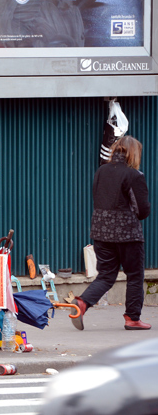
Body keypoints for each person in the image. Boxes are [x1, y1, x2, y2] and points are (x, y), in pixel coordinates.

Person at [72, 136, 151, 331]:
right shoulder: (134, 175)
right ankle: (132, 318)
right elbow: (142, 211)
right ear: (134, 153)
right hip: (127, 235)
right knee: (134, 275)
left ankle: (82, 304)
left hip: (101, 232)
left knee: (106, 275)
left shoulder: (101, 171)